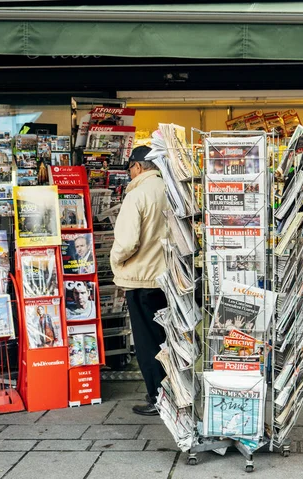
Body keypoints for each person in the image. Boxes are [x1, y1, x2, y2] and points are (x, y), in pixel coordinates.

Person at [111, 145, 168, 416]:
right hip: (167, 279)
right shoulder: (170, 191)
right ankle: (173, 393)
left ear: (137, 167)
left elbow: (126, 242)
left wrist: (115, 262)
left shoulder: (137, 195)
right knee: (165, 339)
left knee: (147, 343)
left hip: (142, 280)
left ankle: (157, 397)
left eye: (130, 169)